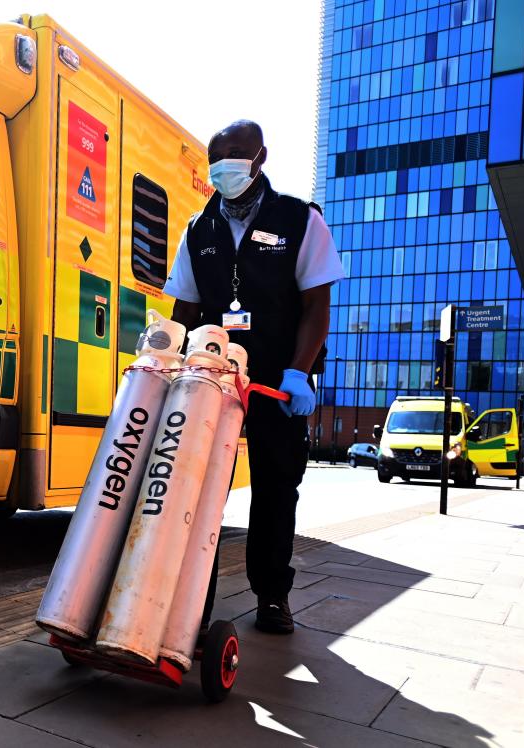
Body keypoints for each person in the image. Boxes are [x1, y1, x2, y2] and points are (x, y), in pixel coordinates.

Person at [164, 120, 344, 634]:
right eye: (216, 156)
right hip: (213, 378)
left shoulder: (298, 218)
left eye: (236, 153)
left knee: (275, 487)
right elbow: (186, 307)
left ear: (260, 157)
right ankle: (191, 599)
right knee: (198, 490)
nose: (224, 164)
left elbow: (316, 304)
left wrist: (298, 373)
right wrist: (170, 367)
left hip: (275, 379)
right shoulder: (199, 231)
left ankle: (271, 596)